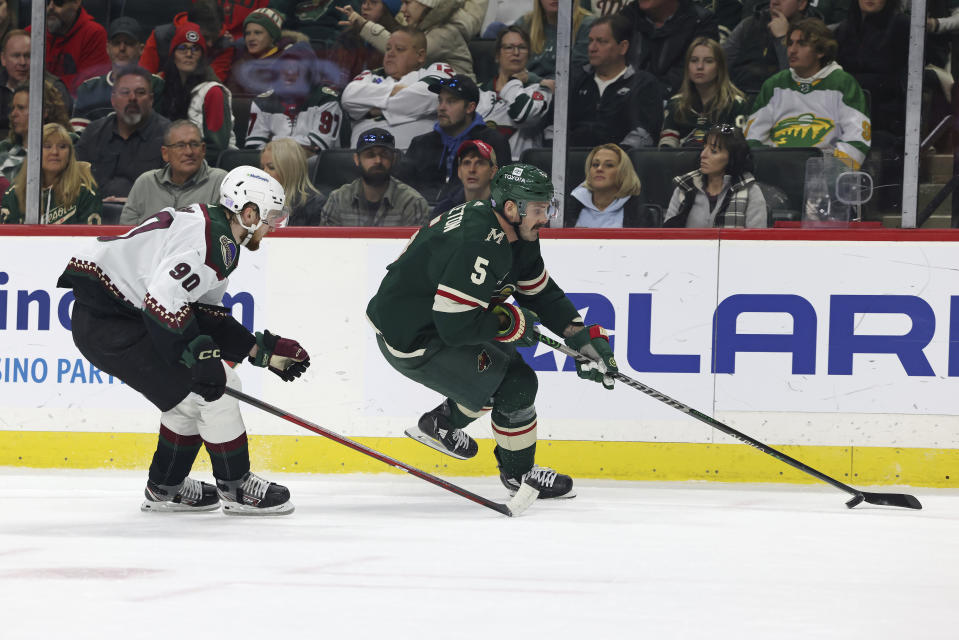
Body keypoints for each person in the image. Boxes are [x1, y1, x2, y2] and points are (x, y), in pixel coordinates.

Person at [56, 165, 311, 516]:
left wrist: (260, 350)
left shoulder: (218, 235)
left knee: (189, 398)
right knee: (217, 386)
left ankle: (165, 489)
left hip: (117, 317)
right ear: (249, 213)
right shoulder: (210, 242)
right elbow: (163, 300)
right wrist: (200, 356)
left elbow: (203, 311)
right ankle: (236, 487)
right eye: (269, 217)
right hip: (112, 323)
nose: (271, 227)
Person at [366, 163, 618, 500]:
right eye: (539, 209)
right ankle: (518, 475)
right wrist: (509, 323)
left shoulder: (516, 230)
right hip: (413, 336)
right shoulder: (480, 241)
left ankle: (444, 422)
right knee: (513, 383)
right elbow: (455, 327)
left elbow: (538, 290)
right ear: (512, 208)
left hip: (436, 320)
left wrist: (578, 335)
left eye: (548, 207)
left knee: (511, 377)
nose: (546, 218)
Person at [745, 18, 870, 169]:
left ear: (821, 51)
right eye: (790, 43)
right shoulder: (774, 84)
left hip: (822, 172)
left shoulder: (843, 83)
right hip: (777, 170)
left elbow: (857, 139)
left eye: (802, 44)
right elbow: (753, 137)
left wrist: (832, 172)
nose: (792, 50)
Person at [340, 27, 455, 150]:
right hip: (366, 155)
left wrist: (374, 108)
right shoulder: (369, 76)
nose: (390, 53)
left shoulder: (436, 70)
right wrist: (398, 93)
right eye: (388, 48)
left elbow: (432, 97)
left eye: (399, 49)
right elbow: (348, 98)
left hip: (415, 154)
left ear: (420, 55)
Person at [400, 75, 511, 196]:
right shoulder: (421, 143)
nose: (441, 108)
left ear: (470, 107)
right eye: (440, 100)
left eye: (451, 101)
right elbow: (403, 192)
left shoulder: (492, 143)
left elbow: (502, 192)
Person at [567, 14, 663, 149]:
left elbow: (644, 133)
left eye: (601, 41)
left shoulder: (644, 84)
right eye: (590, 41)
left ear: (623, 47)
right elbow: (553, 127)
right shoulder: (575, 81)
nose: (592, 48)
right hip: (570, 163)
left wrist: (611, 160)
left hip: (621, 164)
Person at [76, 66, 172, 200]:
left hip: (148, 216)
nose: (132, 98)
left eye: (140, 92)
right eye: (125, 92)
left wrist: (134, 204)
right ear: (113, 99)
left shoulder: (170, 137)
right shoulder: (92, 133)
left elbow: (176, 192)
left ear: (151, 100)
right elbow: (75, 183)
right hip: (95, 215)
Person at [155, 22, 237, 162]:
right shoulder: (162, 85)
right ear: (173, 55)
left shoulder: (213, 92)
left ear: (202, 57)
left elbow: (217, 148)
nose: (189, 54)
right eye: (182, 48)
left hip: (210, 168)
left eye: (195, 49)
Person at [244, 42, 344, 154]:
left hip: (315, 168)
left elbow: (318, 148)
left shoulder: (326, 99)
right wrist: (300, 145)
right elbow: (253, 148)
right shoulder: (262, 102)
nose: (289, 72)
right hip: (269, 167)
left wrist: (273, 142)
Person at [120, 120, 228, 226]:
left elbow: (228, 234)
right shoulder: (145, 183)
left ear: (203, 149)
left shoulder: (221, 182)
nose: (189, 152)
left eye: (194, 144)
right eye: (180, 145)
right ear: (165, 153)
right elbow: (126, 233)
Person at [72, 18, 165, 133]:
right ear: (107, 48)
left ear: (141, 49)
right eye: (116, 43)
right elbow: (78, 138)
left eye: (129, 43)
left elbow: (159, 133)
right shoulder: (89, 88)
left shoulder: (155, 84)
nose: (122, 48)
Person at [321, 127, 429, 226]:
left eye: (385, 154)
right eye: (370, 155)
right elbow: (326, 245)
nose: (378, 161)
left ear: (394, 159)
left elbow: (416, 246)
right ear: (357, 159)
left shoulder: (412, 202)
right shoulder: (338, 200)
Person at [664, 124, 767, 227]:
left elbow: (757, 241)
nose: (703, 155)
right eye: (704, 148)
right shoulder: (684, 187)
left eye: (713, 151)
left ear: (732, 158)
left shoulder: (751, 192)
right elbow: (666, 237)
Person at [340, 0, 476, 78]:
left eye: (407, 2)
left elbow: (403, 49)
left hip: (459, 102)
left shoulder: (447, 32)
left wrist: (364, 26)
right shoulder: (422, 27)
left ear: (426, 4)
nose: (402, 9)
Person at [0, 123, 102, 224]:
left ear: (70, 154)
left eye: (62, 146)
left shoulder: (85, 193)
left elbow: (87, 239)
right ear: (35, 152)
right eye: (47, 146)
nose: (54, 152)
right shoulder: (15, 192)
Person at [479, 25, 554, 160]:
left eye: (522, 47)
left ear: (529, 55)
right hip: (483, 167)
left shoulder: (541, 90)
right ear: (497, 55)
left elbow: (521, 115)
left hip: (523, 170)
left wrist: (512, 82)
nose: (516, 52)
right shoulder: (479, 92)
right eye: (509, 47)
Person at [659, 37, 749, 148]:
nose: (700, 66)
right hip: (682, 162)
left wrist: (712, 130)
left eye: (708, 61)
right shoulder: (675, 103)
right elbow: (667, 145)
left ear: (720, 67)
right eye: (694, 60)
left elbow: (738, 137)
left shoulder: (736, 104)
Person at [618, 0, 719, 99]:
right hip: (628, 99)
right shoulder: (627, 17)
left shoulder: (700, 21)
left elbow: (690, 70)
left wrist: (649, 94)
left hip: (679, 102)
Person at [723, 0, 820, 94]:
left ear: (801, 4)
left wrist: (783, 39)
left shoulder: (814, 35)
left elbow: (798, 80)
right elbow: (721, 63)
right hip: (739, 95)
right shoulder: (750, 24)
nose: (774, 2)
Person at [139, 0, 236, 83]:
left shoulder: (224, 45)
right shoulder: (160, 37)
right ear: (191, 29)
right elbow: (143, 81)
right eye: (205, 38)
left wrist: (164, 77)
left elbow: (212, 85)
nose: (210, 44)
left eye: (214, 37)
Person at [0, 81, 73, 188]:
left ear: (43, 112)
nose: (13, 114)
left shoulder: (68, 145)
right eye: (13, 108)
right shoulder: (4, 149)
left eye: (21, 108)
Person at [567, 143, 654, 227]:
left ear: (623, 173)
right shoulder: (566, 208)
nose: (599, 169)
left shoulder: (640, 214)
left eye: (609, 165)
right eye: (595, 164)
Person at [0, 30, 73, 131]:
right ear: (3, 58)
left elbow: (60, 132)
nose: (22, 62)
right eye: (16, 56)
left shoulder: (53, 88)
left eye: (28, 56)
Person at [33, 0, 110, 95]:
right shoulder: (33, 33)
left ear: (77, 3)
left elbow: (90, 88)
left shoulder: (94, 34)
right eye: (47, 3)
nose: (50, 8)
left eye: (58, 3)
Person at [227, 7, 297, 97]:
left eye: (258, 33)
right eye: (248, 33)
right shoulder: (238, 65)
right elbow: (233, 101)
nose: (251, 38)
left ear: (272, 37)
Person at [515, 0, 594, 79]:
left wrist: (535, 80)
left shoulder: (588, 26)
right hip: (523, 88)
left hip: (569, 89)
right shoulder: (524, 24)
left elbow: (576, 74)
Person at [261, 137, 326, 226]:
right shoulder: (255, 200)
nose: (264, 173)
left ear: (289, 170)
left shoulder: (315, 205)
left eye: (271, 167)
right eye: (262, 167)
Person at [431, 138, 498, 215]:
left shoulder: (508, 210)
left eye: (480, 163)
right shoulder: (444, 209)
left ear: (493, 172)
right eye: (467, 163)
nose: (472, 169)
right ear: (459, 171)